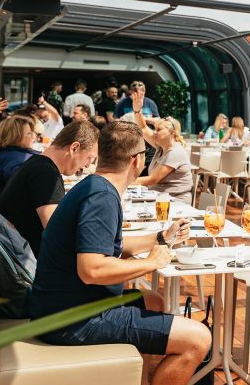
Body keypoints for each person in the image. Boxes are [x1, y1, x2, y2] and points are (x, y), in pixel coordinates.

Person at [29, 122, 209, 385]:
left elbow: (108, 247)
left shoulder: (93, 186)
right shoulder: (101, 197)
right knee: (198, 338)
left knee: (153, 301)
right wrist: (151, 263)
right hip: (73, 320)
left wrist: (160, 238)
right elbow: (92, 270)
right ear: (137, 161)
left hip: (58, 308)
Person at [0, 121, 100, 255]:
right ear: (74, 148)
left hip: (18, 254)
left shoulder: (37, 164)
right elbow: (58, 232)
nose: (88, 165)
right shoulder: (46, 174)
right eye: (90, 158)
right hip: (28, 264)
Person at [128, 91, 193, 203]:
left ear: (172, 132)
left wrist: (124, 181)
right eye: (155, 129)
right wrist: (137, 111)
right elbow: (143, 128)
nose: (155, 132)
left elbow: (153, 179)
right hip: (159, 197)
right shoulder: (161, 146)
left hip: (176, 202)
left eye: (159, 130)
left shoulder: (175, 152)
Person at [0, 115, 39, 210]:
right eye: (29, 133)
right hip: (8, 217)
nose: (34, 137)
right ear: (16, 136)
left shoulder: (0, 152)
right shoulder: (17, 159)